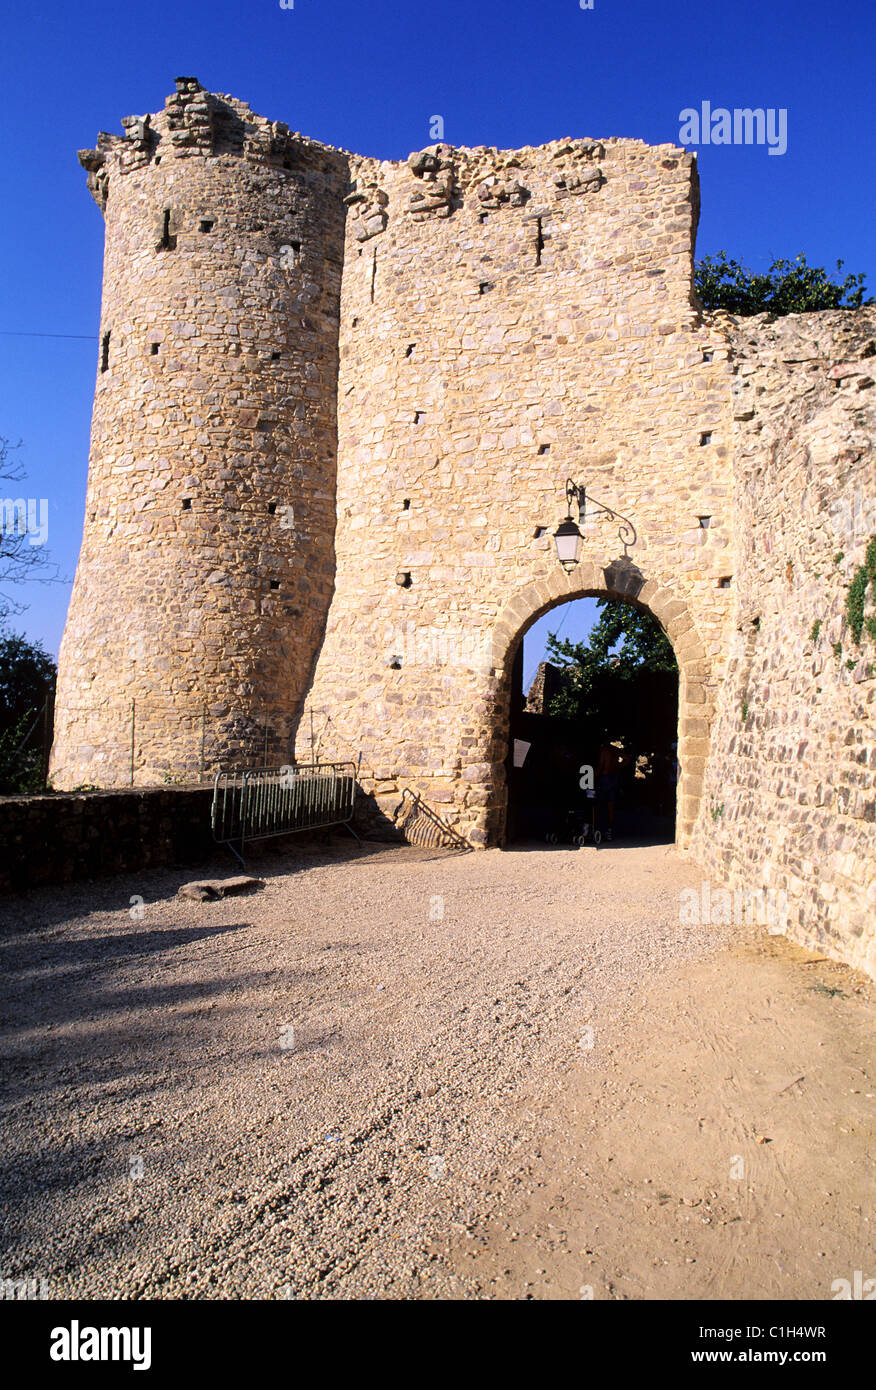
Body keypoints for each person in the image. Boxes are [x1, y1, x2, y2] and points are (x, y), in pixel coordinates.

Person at [595, 739, 621, 840]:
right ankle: (609, 830)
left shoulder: (604, 751)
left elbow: (601, 765)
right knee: (611, 805)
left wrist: (594, 775)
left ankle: (594, 826)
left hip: (604, 778)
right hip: (613, 777)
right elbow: (627, 758)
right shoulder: (615, 750)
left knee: (596, 803)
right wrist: (618, 767)